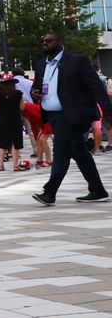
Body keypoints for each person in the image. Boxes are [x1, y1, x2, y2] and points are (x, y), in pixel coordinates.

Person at [31, 31, 111, 205]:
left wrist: (108, 113)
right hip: (53, 116)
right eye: (43, 41)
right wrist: (34, 93)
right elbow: (36, 87)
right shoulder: (40, 64)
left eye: (49, 41)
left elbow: (96, 87)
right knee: (79, 153)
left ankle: (49, 192)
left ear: (60, 42)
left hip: (74, 116)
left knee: (61, 151)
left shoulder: (77, 61)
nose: (44, 43)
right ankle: (98, 189)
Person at [0, 72, 27, 172]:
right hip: (15, 119)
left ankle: (1, 165)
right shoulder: (18, 94)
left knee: (2, 142)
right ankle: (15, 165)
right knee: (15, 142)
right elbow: (22, 107)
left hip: (2, 119)